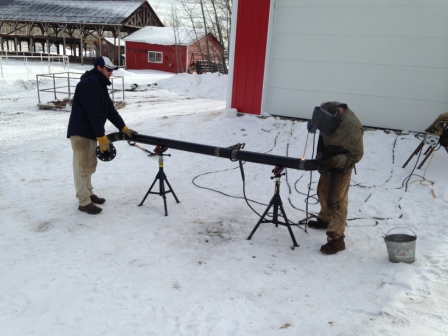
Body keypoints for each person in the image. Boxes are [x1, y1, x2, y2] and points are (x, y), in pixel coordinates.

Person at [67, 56, 137, 215]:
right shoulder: (88, 84)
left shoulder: (99, 85)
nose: (111, 73)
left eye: (112, 70)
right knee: (82, 166)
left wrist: (124, 128)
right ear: (99, 68)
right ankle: (83, 201)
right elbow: (93, 113)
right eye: (108, 69)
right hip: (81, 132)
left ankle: (89, 193)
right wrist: (102, 137)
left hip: (91, 132)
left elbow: (110, 111)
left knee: (90, 165)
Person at [307, 102, 364, 254]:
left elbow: (356, 156)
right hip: (327, 156)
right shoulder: (328, 109)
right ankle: (325, 219)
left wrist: (334, 161)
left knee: (336, 201)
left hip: (342, 165)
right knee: (323, 191)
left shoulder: (351, 129)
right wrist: (314, 124)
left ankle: (336, 239)